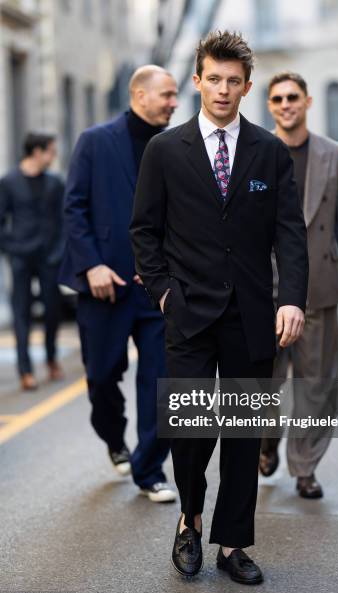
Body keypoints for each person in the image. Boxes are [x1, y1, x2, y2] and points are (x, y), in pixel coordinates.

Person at [130, 31, 308, 584]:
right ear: (197, 80)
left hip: (252, 316)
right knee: (190, 432)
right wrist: (163, 293)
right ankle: (190, 520)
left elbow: (290, 236)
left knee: (241, 434)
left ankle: (233, 543)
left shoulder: (269, 152)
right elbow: (145, 232)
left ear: (247, 86)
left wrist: (292, 300)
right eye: (215, 78)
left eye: (235, 81)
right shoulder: (164, 150)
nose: (224, 90)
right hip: (187, 314)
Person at [59, 66, 178, 502]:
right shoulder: (95, 141)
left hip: (159, 288)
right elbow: (73, 207)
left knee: (162, 380)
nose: (174, 102)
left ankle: (150, 470)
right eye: (166, 94)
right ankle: (114, 438)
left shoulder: (175, 144)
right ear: (139, 94)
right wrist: (90, 265)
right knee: (102, 377)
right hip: (104, 285)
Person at [260, 72, 338, 498]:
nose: (286, 104)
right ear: (270, 105)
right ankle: (266, 442)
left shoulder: (332, 153)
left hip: (321, 286)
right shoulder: (256, 149)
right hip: (266, 289)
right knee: (264, 382)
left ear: (307, 102)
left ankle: (305, 467)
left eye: (293, 97)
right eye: (278, 98)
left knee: (317, 383)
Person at [0, 133, 64, 391]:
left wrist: (59, 252)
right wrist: (11, 248)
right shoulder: (9, 182)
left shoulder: (55, 183)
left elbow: (65, 220)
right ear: (37, 152)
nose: (53, 156)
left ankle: (51, 358)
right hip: (21, 257)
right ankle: (25, 371)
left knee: (53, 311)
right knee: (21, 314)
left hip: (49, 257)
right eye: (50, 151)